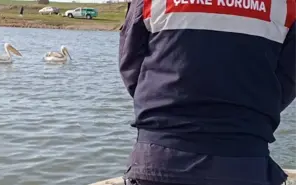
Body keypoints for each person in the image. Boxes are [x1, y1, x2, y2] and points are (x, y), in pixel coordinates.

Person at [119, 0, 296, 185]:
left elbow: (131, 65)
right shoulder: (286, 4)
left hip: (159, 158)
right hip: (244, 161)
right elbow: (286, 80)